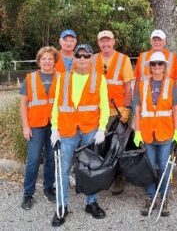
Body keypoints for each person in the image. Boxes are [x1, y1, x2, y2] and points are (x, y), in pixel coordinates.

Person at [50, 44, 110, 226]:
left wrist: (101, 129)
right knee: (63, 169)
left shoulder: (99, 79)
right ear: (74, 58)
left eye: (86, 56)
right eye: (79, 55)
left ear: (92, 58)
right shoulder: (63, 78)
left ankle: (91, 203)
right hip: (67, 130)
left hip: (90, 130)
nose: (82, 59)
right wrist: (54, 128)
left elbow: (104, 106)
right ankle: (62, 207)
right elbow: (56, 105)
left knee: (90, 168)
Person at [132, 51, 177, 217]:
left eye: (160, 64)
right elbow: (138, 109)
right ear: (149, 67)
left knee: (163, 167)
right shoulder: (142, 84)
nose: (156, 67)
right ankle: (150, 197)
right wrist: (137, 131)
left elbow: (175, 109)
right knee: (149, 168)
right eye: (153, 64)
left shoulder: (171, 83)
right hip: (147, 133)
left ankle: (165, 197)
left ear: (164, 66)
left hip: (165, 132)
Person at [93, 30, 134, 195]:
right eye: (102, 41)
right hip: (97, 111)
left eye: (108, 41)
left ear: (113, 41)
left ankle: (119, 178)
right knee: (101, 146)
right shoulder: (92, 59)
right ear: (98, 43)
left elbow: (128, 87)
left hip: (117, 111)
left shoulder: (123, 59)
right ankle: (103, 176)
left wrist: (127, 109)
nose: (105, 44)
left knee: (118, 146)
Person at [20, 46, 58, 210]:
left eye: (50, 58)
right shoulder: (30, 78)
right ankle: (28, 194)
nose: (47, 61)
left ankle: (48, 188)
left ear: (54, 61)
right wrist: (25, 126)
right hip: (35, 125)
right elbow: (23, 104)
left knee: (51, 159)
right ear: (39, 60)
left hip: (54, 125)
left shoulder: (61, 78)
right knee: (33, 160)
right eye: (44, 58)